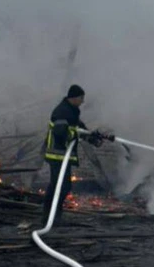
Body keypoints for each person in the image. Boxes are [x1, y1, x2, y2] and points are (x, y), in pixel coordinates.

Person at [41, 84, 111, 225]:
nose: (82, 101)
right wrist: (76, 135)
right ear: (73, 98)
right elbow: (61, 133)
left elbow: (78, 128)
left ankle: (52, 216)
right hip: (57, 155)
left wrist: (92, 137)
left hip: (61, 156)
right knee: (62, 186)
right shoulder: (62, 112)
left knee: (58, 186)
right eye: (81, 98)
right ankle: (51, 217)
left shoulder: (72, 111)